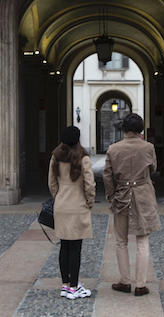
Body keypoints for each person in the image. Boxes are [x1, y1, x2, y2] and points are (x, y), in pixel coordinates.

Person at [103, 113, 160, 297]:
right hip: (143, 195)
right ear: (140, 129)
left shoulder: (113, 149)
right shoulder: (148, 147)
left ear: (124, 129)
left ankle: (125, 281)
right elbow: (153, 169)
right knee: (143, 241)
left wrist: (111, 196)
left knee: (121, 241)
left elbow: (107, 176)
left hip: (121, 196)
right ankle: (141, 285)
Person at [48, 125, 95, 300]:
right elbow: (89, 185)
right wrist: (89, 202)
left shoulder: (55, 157)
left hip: (61, 205)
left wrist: (58, 197)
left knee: (64, 246)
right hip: (78, 205)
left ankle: (65, 285)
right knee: (76, 248)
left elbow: (51, 183)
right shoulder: (83, 158)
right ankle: (75, 287)